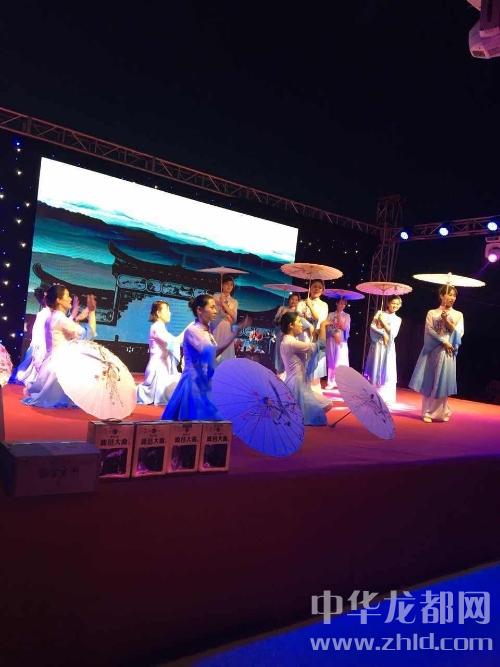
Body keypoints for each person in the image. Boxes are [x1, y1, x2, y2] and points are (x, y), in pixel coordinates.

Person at [162, 294, 250, 421]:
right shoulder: (193, 331)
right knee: (195, 421)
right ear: (199, 310)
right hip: (195, 384)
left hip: (205, 381)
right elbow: (212, 353)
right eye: (212, 307)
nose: (216, 311)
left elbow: (214, 356)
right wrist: (234, 333)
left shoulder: (206, 331)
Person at [23, 285, 97, 408]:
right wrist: (92, 312)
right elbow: (89, 333)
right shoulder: (60, 318)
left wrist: (79, 316)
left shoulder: (54, 316)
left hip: (52, 361)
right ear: (59, 300)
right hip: (61, 363)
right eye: (67, 296)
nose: (70, 299)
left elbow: (70, 331)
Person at [409, 285, 464, 422]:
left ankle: (441, 412)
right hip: (433, 349)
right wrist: (443, 341)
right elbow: (429, 330)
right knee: (431, 379)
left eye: (454, 295)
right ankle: (426, 412)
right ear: (441, 296)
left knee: (443, 380)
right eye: (449, 294)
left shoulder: (458, 314)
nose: (452, 297)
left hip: (448, 351)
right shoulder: (432, 313)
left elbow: (458, 332)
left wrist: (446, 320)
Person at [280, 311, 331, 426]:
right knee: (324, 408)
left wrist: (316, 334)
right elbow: (320, 345)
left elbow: (312, 347)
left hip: (296, 381)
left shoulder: (287, 341)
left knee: (325, 405)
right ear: (291, 325)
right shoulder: (291, 343)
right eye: (299, 322)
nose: (301, 325)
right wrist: (323, 325)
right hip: (297, 385)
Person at [137, 300, 181, 405]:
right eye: (167, 310)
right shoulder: (156, 327)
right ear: (158, 313)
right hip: (158, 368)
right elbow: (172, 342)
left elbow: (174, 342)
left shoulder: (161, 328)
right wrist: (188, 330)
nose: (170, 313)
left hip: (163, 366)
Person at [363, 296, 403, 405]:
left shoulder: (398, 319)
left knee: (386, 369)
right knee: (375, 366)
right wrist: (383, 333)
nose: (395, 305)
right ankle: (373, 394)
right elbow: (372, 327)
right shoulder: (379, 313)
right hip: (377, 345)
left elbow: (393, 333)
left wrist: (383, 323)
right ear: (388, 303)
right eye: (393, 303)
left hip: (388, 347)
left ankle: (385, 397)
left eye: (397, 304)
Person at [296, 279, 329, 390]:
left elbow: (321, 320)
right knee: (301, 363)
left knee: (313, 363)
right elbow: (298, 318)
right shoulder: (302, 303)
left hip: (316, 335)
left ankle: (312, 389)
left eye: (320, 287)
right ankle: (299, 389)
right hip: (303, 335)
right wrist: (308, 325)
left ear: (323, 290)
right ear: (310, 288)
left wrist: (310, 306)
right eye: (314, 286)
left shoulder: (324, 305)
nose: (317, 289)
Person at [325, 297, 351, 389]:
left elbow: (345, 328)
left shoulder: (346, 316)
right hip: (331, 339)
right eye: (340, 303)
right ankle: (331, 382)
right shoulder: (331, 314)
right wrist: (334, 333)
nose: (342, 305)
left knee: (340, 360)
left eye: (344, 303)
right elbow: (327, 327)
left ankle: (341, 383)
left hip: (341, 340)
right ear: (336, 303)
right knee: (331, 360)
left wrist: (339, 316)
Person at [212, 276, 238, 364]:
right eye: (227, 284)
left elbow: (234, 317)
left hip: (227, 328)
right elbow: (214, 312)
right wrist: (221, 304)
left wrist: (224, 304)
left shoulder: (234, 301)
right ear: (222, 285)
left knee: (226, 353)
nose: (229, 286)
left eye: (231, 285)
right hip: (216, 326)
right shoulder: (215, 296)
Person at [273, 292, 300, 374]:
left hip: (292, 337)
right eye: (292, 299)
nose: (293, 301)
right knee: (279, 354)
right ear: (289, 300)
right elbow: (275, 322)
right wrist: (280, 315)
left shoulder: (298, 312)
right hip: (281, 334)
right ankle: (279, 373)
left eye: (296, 300)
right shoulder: (282, 308)